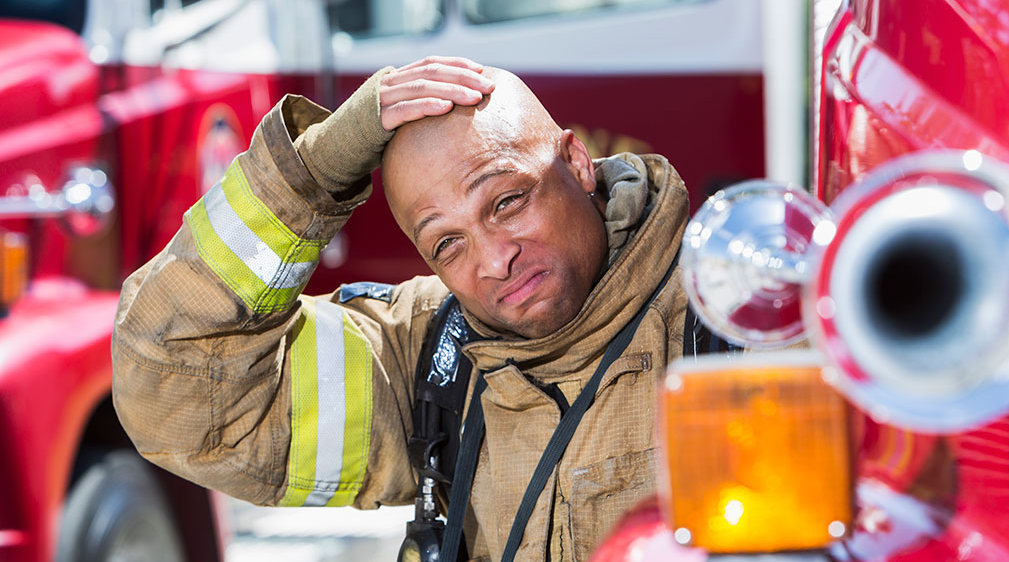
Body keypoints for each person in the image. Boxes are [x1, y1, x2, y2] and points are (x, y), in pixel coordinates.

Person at [112, 56, 694, 562]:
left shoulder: (730, 327)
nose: (495, 260)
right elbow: (175, 388)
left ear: (577, 162)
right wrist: (315, 170)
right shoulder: (426, 355)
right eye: (448, 243)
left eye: (508, 202)